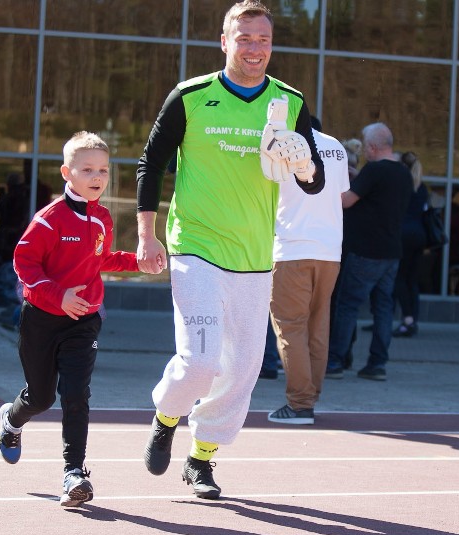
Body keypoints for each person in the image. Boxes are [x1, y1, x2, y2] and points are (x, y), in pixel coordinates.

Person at [135, 0, 324, 499]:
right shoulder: (191, 96)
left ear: (271, 45)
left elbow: (314, 181)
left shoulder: (290, 103)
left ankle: (202, 459)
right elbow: (150, 164)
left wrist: (302, 161)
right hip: (195, 246)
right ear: (225, 43)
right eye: (244, 39)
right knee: (199, 362)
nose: (254, 48)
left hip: (255, 256)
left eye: (262, 39)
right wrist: (146, 234)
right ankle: (166, 415)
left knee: (241, 371)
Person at [0, 131, 141, 507]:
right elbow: (23, 264)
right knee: (41, 397)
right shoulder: (49, 219)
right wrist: (58, 295)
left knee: (76, 393)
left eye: (104, 170)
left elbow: (101, 260)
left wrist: (137, 261)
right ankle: (12, 421)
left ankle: (74, 473)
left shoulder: (103, 218)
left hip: (84, 320)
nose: (97, 177)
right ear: (67, 172)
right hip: (42, 319)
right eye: (88, 169)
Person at [267, 117, 349, 425]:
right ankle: (309, 398)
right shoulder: (336, 147)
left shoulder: (281, 147)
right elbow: (339, 196)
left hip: (292, 248)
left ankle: (300, 404)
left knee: (291, 328)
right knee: (318, 327)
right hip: (329, 251)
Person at [326, 122, 412, 381]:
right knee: (383, 309)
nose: (363, 149)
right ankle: (377, 364)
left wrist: (334, 179)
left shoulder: (374, 170)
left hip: (366, 251)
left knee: (347, 306)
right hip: (391, 252)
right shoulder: (403, 172)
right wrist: (357, 176)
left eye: (365, 145)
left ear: (373, 147)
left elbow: (346, 200)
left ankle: (335, 361)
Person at [391, 151, 429, 338]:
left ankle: (407, 320)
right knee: (412, 279)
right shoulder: (421, 187)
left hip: (403, 235)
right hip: (419, 235)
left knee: (399, 278)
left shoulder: (401, 185)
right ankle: (412, 319)